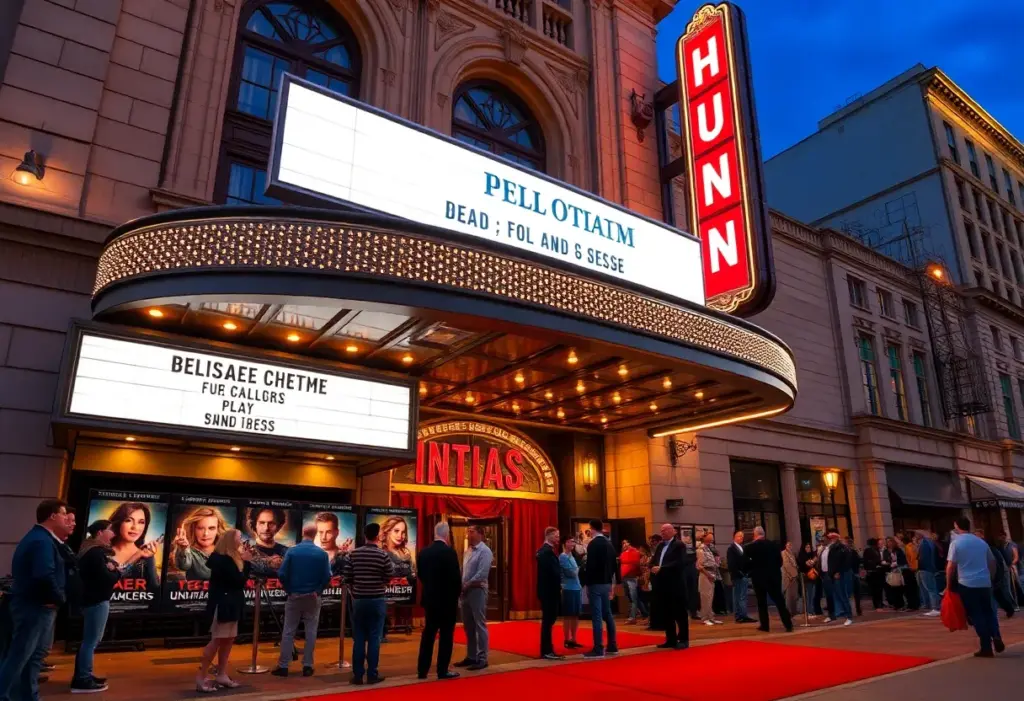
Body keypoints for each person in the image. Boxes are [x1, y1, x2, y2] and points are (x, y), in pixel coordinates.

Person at [0, 499, 72, 701]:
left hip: (33, 604)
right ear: (53, 516)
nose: (66, 518)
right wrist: (58, 597)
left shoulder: (40, 537)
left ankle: (28, 696)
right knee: (20, 655)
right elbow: (44, 575)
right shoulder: (41, 541)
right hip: (35, 606)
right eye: (63, 514)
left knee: (32, 656)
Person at [195, 528, 252, 692]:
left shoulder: (231, 558)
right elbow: (239, 581)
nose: (241, 541)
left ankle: (221, 674)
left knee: (229, 639)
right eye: (239, 537)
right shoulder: (222, 560)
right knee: (217, 640)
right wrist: (247, 563)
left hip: (232, 604)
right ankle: (201, 678)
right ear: (230, 540)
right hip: (223, 605)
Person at [272, 524, 331, 677]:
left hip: (294, 595)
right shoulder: (322, 554)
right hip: (313, 597)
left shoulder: (292, 551)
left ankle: (283, 666)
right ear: (315, 534)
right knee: (311, 631)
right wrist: (318, 591)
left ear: (303, 533)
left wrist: (289, 589)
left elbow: (282, 574)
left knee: (288, 631)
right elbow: (327, 577)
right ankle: (307, 666)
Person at [342, 522, 395, 685]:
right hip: (377, 600)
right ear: (377, 536)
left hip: (359, 601)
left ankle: (358, 675)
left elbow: (347, 577)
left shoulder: (353, 554)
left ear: (364, 535)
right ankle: (372, 674)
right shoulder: (383, 555)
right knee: (374, 638)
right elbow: (390, 575)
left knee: (358, 638)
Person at [72, 520, 120, 693]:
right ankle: (82, 679)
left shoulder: (88, 549)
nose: (113, 534)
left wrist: (110, 568)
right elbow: (106, 579)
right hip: (96, 601)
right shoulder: (95, 552)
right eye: (110, 530)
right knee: (91, 641)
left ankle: (84, 674)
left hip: (90, 600)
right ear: (100, 532)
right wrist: (116, 571)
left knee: (89, 640)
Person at [947, 518, 1002, 657]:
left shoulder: (956, 543)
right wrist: (990, 577)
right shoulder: (981, 542)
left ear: (957, 526)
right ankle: (996, 635)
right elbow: (992, 562)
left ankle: (986, 646)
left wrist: (948, 585)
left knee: (976, 614)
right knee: (988, 611)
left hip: (967, 583)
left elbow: (950, 566)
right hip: (984, 582)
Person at [415, 522, 461, 680]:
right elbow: (455, 579)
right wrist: (456, 597)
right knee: (446, 636)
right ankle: (442, 670)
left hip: (430, 600)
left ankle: (422, 670)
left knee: (428, 635)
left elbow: (420, 575)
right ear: (447, 535)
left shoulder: (424, 552)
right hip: (447, 602)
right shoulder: (450, 553)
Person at [743, 526, 793, 633]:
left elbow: (746, 563)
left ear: (755, 535)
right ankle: (788, 624)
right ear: (764, 534)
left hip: (758, 578)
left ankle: (765, 625)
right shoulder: (774, 545)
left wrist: (751, 570)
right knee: (779, 600)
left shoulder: (749, 547)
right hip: (774, 577)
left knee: (761, 602)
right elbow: (780, 562)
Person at [456, 525, 492, 671]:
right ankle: (471, 656)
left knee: (479, 624)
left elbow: (482, 574)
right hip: (465, 592)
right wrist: (460, 585)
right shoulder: (468, 551)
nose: (468, 534)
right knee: (468, 626)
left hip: (477, 591)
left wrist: (467, 585)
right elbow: (463, 571)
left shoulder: (485, 551)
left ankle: (482, 658)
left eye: (471, 532)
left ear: (480, 534)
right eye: (468, 532)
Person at [582, 519, 617, 658]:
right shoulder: (609, 544)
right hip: (606, 582)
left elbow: (590, 566)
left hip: (595, 583)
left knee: (596, 615)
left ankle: (598, 647)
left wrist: (586, 582)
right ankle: (612, 644)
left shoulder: (593, 544)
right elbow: (614, 565)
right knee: (607, 613)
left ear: (592, 529)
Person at [651, 523, 689, 650]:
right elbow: (655, 560)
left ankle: (683, 639)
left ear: (673, 531)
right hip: (663, 584)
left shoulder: (679, 545)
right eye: (661, 531)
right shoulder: (660, 545)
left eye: (665, 530)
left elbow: (680, 562)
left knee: (680, 613)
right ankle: (671, 639)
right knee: (667, 613)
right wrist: (652, 566)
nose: (663, 532)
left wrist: (662, 568)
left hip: (676, 584)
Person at [108, 502, 160, 594]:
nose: (135, 527)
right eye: (128, 520)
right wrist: (137, 555)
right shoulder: (101, 552)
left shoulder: (146, 555)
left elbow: (154, 591)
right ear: (118, 522)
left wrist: (149, 558)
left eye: (141, 522)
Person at [172, 507, 228, 580]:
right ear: (194, 529)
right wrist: (183, 549)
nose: (206, 534)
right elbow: (183, 566)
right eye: (200, 528)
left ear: (218, 529)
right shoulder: (190, 552)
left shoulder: (226, 551)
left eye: (211, 528)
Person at [536, 527, 564, 660]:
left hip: (549, 590)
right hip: (549, 591)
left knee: (549, 620)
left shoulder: (546, 551)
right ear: (548, 536)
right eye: (556, 536)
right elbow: (553, 572)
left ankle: (548, 649)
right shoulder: (546, 552)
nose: (558, 538)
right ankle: (547, 650)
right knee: (548, 621)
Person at [821, 529, 853, 626]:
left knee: (842, 595)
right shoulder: (827, 548)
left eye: (831, 538)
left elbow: (845, 561)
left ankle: (849, 616)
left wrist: (838, 571)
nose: (830, 539)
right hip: (828, 574)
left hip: (837, 574)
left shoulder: (841, 548)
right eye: (829, 538)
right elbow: (825, 561)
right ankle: (832, 615)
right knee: (830, 596)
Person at [246, 508, 288, 578]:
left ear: (279, 526)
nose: (266, 528)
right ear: (254, 524)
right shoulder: (243, 549)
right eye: (262, 523)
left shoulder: (287, 552)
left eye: (271, 523)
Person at [727, 531, 755, 623]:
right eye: (739, 536)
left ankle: (742, 615)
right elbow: (731, 564)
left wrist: (748, 572)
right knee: (739, 596)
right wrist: (740, 574)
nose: (741, 538)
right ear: (734, 537)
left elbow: (746, 561)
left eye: (742, 536)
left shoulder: (743, 547)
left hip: (745, 575)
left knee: (742, 596)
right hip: (738, 576)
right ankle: (740, 616)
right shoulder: (731, 549)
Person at [559, 537, 582, 648]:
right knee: (568, 615)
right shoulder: (563, 557)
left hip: (577, 588)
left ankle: (574, 638)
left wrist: (577, 569)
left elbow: (576, 572)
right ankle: (567, 639)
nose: (572, 543)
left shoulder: (572, 556)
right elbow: (571, 573)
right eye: (569, 542)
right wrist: (577, 569)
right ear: (564, 544)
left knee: (575, 615)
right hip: (568, 588)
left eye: (573, 541)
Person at [314, 512, 353, 576]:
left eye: (328, 532)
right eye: (321, 532)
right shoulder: (312, 556)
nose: (324, 537)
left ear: (337, 532)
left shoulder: (345, 557)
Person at [696, 533, 722, 626]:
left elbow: (715, 561)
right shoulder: (701, 549)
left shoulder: (711, 548)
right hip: (705, 575)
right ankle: (704, 618)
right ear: (705, 538)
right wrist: (708, 575)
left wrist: (717, 561)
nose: (712, 538)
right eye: (710, 536)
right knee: (705, 598)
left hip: (712, 574)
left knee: (710, 597)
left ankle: (711, 617)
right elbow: (699, 566)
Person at [380, 516, 415, 580]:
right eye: (396, 531)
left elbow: (412, 575)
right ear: (388, 531)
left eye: (403, 532)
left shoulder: (406, 553)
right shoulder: (381, 553)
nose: (400, 536)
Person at [915, 531, 941, 616]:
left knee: (931, 588)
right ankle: (932, 606)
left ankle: (935, 607)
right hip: (926, 569)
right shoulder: (928, 543)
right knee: (929, 588)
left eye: (916, 534)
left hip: (926, 569)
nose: (915, 536)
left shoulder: (925, 543)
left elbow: (924, 558)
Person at [619, 539, 643, 624]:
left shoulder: (635, 552)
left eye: (626, 543)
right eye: (623, 543)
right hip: (625, 577)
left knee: (633, 598)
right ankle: (644, 613)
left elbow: (637, 563)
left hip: (631, 577)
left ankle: (632, 617)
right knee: (630, 597)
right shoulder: (623, 553)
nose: (624, 544)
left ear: (629, 543)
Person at [882, 536, 908, 610]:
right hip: (889, 570)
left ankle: (901, 604)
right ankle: (895, 604)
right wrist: (886, 562)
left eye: (890, 541)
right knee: (891, 588)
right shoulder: (885, 551)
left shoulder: (898, 550)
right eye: (887, 542)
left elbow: (902, 560)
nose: (889, 543)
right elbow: (885, 559)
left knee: (899, 587)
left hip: (898, 570)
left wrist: (896, 563)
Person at [798, 543, 822, 616]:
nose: (808, 549)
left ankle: (811, 610)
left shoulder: (811, 555)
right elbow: (808, 564)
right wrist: (813, 560)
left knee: (812, 594)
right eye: (807, 547)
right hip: (806, 577)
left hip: (813, 577)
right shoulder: (802, 556)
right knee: (808, 594)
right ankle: (808, 611)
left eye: (809, 547)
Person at [862, 538, 886, 611]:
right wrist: (875, 564)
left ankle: (880, 602)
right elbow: (866, 561)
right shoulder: (868, 550)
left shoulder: (877, 550)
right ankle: (877, 604)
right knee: (875, 589)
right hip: (872, 572)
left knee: (879, 588)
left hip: (879, 571)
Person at [902, 533, 921, 610]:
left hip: (913, 569)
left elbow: (912, 558)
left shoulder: (908, 547)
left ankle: (915, 604)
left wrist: (912, 566)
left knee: (913, 588)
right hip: (914, 568)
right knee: (916, 587)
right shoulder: (911, 546)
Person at [782, 541, 800, 615]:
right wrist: (793, 575)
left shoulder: (792, 553)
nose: (789, 546)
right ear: (785, 546)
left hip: (794, 576)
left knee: (794, 595)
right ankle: (788, 611)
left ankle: (794, 610)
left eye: (790, 545)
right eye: (788, 545)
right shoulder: (783, 553)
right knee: (788, 596)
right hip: (788, 577)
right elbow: (786, 565)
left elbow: (794, 564)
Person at [846, 538, 863, 616]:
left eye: (851, 543)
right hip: (849, 574)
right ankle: (850, 610)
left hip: (855, 574)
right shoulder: (845, 553)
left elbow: (859, 561)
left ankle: (858, 609)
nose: (850, 545)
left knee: (857, 592)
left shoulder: (854, 552)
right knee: (850, 593)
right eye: (849, 543)